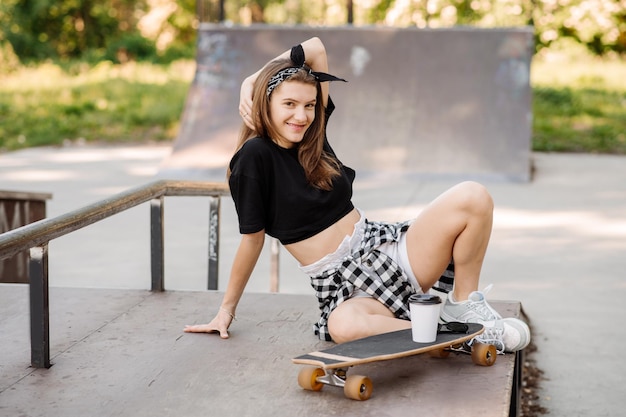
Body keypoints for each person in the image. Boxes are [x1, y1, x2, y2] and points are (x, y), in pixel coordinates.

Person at [184, 37, 530, 353]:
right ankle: (453, 334)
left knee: (473, 196)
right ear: (265, 102)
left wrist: (251, 78)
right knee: (342, 327)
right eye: (289, 103)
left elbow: (316, 47)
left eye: (308, 105)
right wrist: (225, 311)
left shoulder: (313, 137)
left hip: (390, 252)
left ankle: (464, 304)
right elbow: (251, 242)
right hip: (348, 290)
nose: (301, 116)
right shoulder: (253, 158)